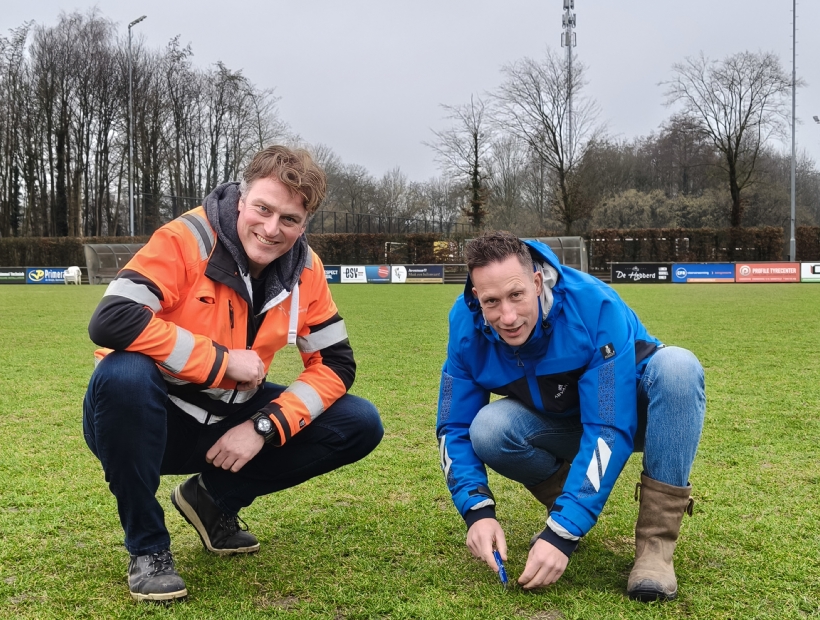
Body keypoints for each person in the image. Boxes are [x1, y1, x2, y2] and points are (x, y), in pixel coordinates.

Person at [83, 145, 384, 602]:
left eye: (289, 219)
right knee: (124, 371)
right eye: (263, 208)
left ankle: (211, 500)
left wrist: (264, 426)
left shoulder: (307, 269)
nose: (270, 228)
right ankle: (148, 548)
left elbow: (337, 363)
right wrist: (222, 362)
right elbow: (112, 319)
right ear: (242, 199)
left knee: (359, 422)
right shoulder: (186, 238)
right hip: (145, 417)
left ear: (305, 224)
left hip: (229, 421)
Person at [436, 231, 705, 601]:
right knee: (488, 429)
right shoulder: (465, 325)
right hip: (565, 423)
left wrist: (561, 535)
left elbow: (609, 425)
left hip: (637, 418)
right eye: (492, 302)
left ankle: (654, 547)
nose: (508, 316)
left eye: (516, 295)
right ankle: (566, 508)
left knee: (679, 367)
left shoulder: (593, 304)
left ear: (536, 281)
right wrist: (477, 512)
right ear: (477, 299)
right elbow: (454, 426)